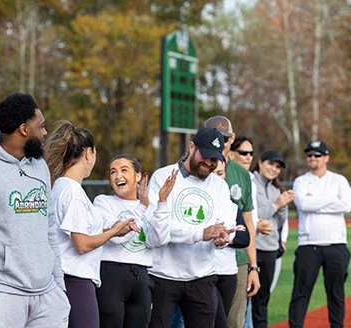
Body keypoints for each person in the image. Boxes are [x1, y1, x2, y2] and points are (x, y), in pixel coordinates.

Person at [0, 92, 71, 328]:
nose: (45, 133)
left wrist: (59, 285)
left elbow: (49, 228)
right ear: (24, 129)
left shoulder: (39, 166)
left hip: (48, 295)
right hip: (4, 296)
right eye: (42, 127)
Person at [45, 121, 136, 328]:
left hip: (68, 277)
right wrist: (112, 232)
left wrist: (111, 232)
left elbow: (79, 235)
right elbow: (82, 244)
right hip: (75, 279)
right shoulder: (72, 192)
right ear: (88, 153)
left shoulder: (61, 186)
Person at [147, 127, 234, 328]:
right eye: (206, 156)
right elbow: (159, 227)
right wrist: (200, 233)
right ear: (191, 146)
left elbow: (224, 226)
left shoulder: (220, 186)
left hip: (203, 276)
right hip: (163, 276)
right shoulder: (163, 177)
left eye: (215, 159)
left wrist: (222, 240)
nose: (210, 163)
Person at [94, 154, 177, 328]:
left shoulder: (150, 206)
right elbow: (116, 236)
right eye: (113, 172)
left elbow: (158, 240)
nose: (118, 176)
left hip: (142, 277)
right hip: (111, 274)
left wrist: (161, 202)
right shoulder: (103, 202)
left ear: (138, 176)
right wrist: (142, 208)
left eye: (124, 170)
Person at [288, 140, 351, 328]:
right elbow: (304, 205)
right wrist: (332, 201)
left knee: (336, 293)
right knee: (301, 292)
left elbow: (346, 205)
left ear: (326, 158)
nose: (312, 158)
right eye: (309, 155)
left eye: (317, 155)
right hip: (309, 244)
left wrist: (315, 201)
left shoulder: (339, 180)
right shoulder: (301, 181)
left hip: (336, 244)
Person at [204, 116, 260, 328]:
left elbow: (248, 222)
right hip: (197, 258)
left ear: (232, 138)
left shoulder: (241, 174)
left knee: (234, 322)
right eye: (214, 138)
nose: (220, 144)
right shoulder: (195, 170)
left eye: (225, 139)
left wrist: (253, 267)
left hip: (237, 260)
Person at [251, 150, 294, 328]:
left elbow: (279, 221)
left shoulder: (277, 188)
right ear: (260, 162)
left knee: (262, 299)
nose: (274, 169)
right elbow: (256, 214)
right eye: (270, 164)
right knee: (243, 298)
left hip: (269, 249)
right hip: (251, 247)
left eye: (278, 167)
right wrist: (277, 204)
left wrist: (279, 205)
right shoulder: (250, 182)